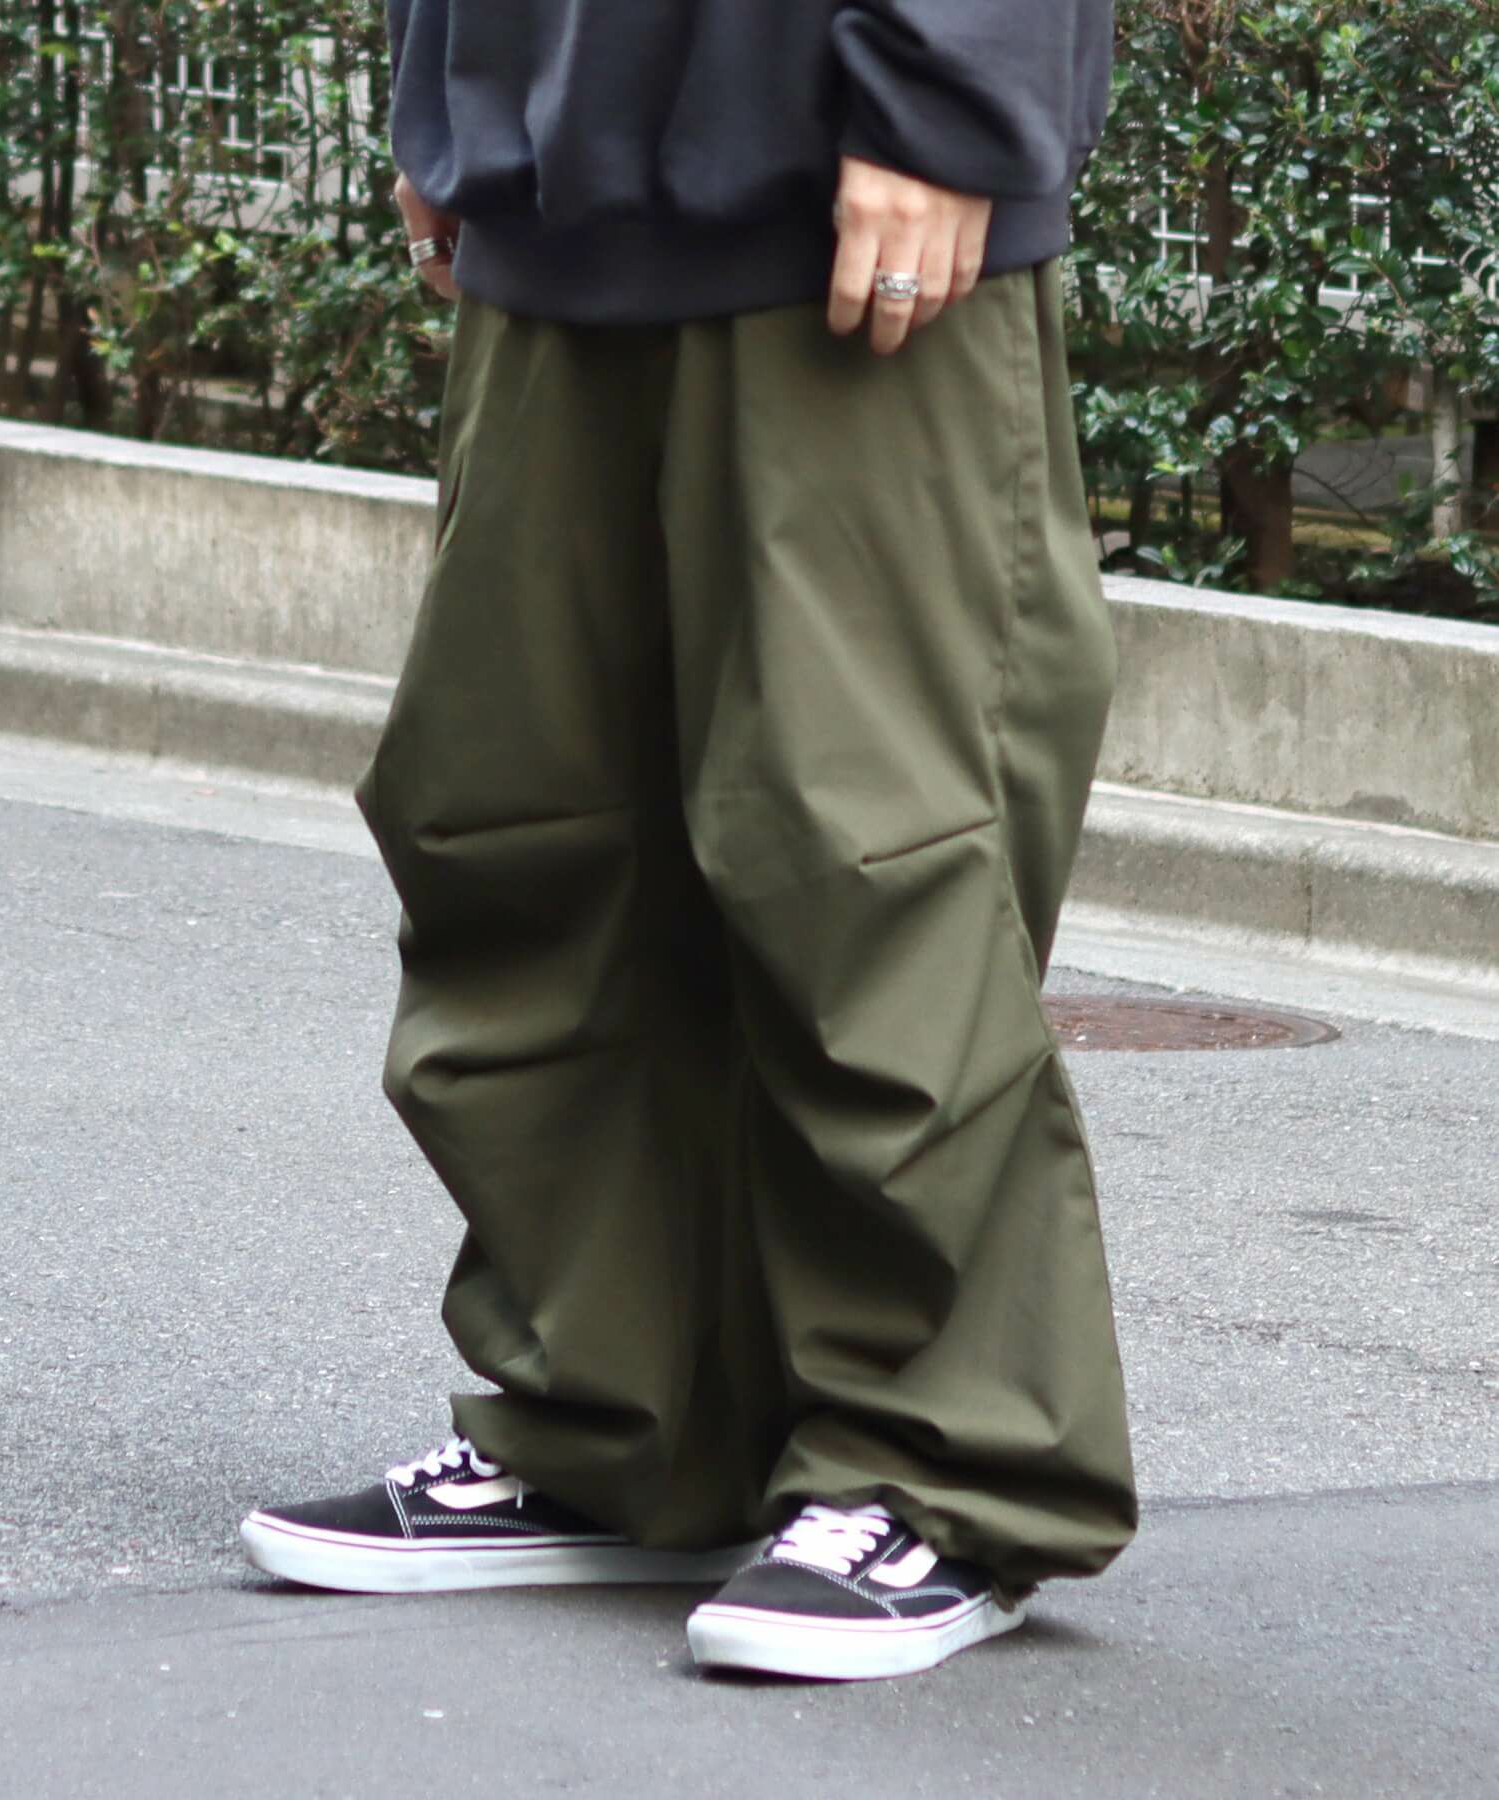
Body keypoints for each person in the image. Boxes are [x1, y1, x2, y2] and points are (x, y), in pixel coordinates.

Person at [240, 0, 1136, 1682]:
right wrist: (449, 96)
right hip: (554, 174)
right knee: (523, 817)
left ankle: (936, 1468)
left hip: (845, 179)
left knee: (860, 843)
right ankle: (610, 1419)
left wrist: (951, 95)